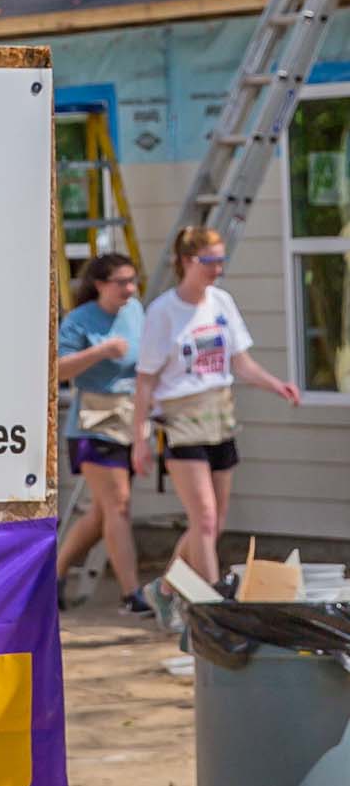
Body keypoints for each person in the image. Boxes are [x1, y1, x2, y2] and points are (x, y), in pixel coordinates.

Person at [132, 225, 300, 589]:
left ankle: (165, 589)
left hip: (220, 415)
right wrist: (139, 439)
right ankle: (213, 600)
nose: (218, 269)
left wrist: (276, 385)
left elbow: (241, 363)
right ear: (188, 261)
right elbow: (145, 379)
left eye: (221, 261)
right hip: (181, 419)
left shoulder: (221, 302)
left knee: (213, 521)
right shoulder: (163, 312)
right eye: (211, 261)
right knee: (204, 517)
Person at [54, 252, 149, 616]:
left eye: (132, 280)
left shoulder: (135, 311)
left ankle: (55, 573)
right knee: (119, 507)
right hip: (93, 421)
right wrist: (101, 351)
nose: (129, 288)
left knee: (101, 513)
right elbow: (58, 370)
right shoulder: (80, 320)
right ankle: (132, 594)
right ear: (99, 285)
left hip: (130, 418)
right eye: (121, 282)